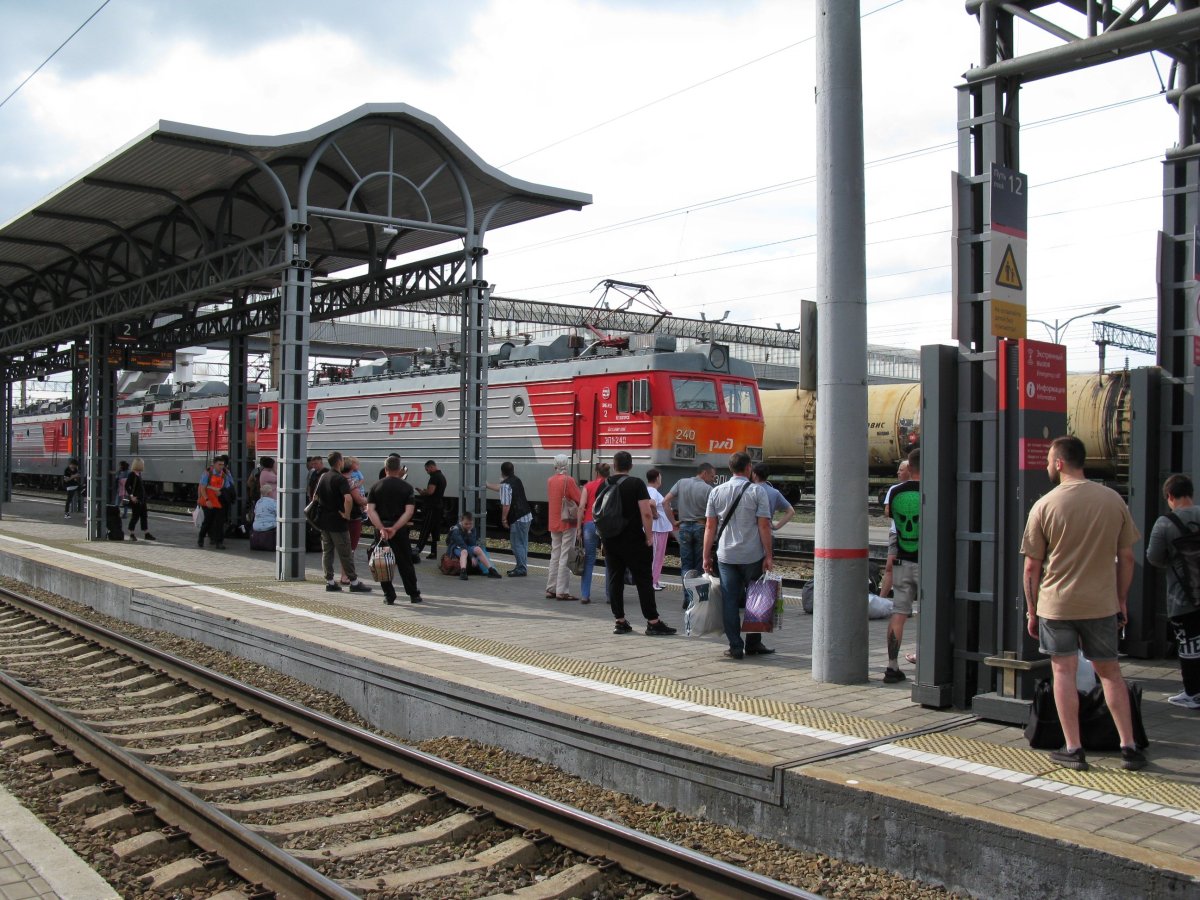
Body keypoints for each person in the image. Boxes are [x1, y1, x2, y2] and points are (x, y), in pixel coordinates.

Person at [1021, 435, 1146, 772]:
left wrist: (1032, 611)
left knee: (1063, 671)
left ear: (1060, 462)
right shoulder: (1112, 500)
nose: (1047, 464)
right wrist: (1120, 599)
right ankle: (1129, 747)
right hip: (1101, 604)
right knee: (1111, 674)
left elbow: (1031, 566)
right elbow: (1128, 558)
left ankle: (1074, 748)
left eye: (1049, 459)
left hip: (1056, 605)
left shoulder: (1045, 505)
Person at [703, 452, 774, 659]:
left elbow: (710, 526)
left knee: (730, 601)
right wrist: (768, 555)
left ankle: (735, 646)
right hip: (753, 555)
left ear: (731, 468)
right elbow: (764, 525)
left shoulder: (716, 491)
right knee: (757, 599)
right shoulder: (757, 491)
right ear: (749, 467)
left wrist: (706, 555)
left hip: (726, 556)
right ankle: (753, 643)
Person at [599, 451, 676, 636]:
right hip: (633, 540)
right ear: (631, 466)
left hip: (611, 539)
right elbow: (647, 513)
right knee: (644, 580)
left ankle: (620, 621)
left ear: (614, 465)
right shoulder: (636, 484)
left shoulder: (604, 484)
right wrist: (649, 536)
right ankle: (653, 621)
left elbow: (600, 514)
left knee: (615, 579)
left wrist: (603, 539)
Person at [1146, 474, 1200, 709]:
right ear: (1191, 493)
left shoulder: (1165, 523)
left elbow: (1154, 557)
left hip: (1182, 596)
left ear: (1169, 496)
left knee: (1188, 645)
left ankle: (1193, 693)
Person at [883, 450, 920, 683]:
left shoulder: (895, 492)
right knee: (928, 613)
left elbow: (890, 516)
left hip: (902, 560)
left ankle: (891, 666)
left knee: (899, 613)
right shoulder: (931, 489)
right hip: (926, 561)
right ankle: (927, 660)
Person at [366, 456, 422, 604]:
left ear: (385, 469)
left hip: (381, 531)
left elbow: (370, 510)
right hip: (400, 530)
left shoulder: (375, 486)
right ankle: (413, 594)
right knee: (405, 563)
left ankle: (389, 595)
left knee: (382, 563)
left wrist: (382, 528)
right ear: (399, 470)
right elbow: (409, 512)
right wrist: (395, 528)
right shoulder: (407, 488)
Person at [315, 450, 372, 594]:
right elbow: (348, 498)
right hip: (337, 522)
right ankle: (353, 581)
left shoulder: (323, 477)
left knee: (327, 552)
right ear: (339, 461)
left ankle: (330, 581)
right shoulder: (340, 479)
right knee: (345, 552)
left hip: (324, 521)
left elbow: (315, 497)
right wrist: (346, 514)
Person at [666, 462, 716, 609]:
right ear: (704, 473)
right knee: (700, 564)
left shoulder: (681, 483)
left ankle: (687, 598)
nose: (713, 479)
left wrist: (673, 521)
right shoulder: (708, 489)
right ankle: (697, 600)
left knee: (686, 565)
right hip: (701, 527)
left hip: (684, 527)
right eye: (712, 476)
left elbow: (665, 501)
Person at [546, 455, 582, 600]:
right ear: (566, 465)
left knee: (555, 554)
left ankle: (551, 588)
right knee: (565, 555)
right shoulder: (569, 480)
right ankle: (562, 591)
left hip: (554, 521)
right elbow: (579, 499)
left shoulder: (550, 481)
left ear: (555, 465)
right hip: (567, 521)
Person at [488, 462, 531, 577]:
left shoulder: (506, 485)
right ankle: (521, 566)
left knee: (517, 544)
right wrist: (487, 485)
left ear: (502, 472)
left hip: (517, 518)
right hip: (527, 515)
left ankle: (521, 568)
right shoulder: (516, 480)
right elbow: (501, 488)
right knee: (523, 543)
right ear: (513, 470)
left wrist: (504, 520)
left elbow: (506, 504)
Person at [576, 462, 610, 605]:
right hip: (607, 525)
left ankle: (584, 595)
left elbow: (581, 506)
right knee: (610, 561)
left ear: (596, 473)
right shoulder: (612, 486)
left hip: (589, 524)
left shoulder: (587, 486)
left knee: (589, 560)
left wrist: (578, 527)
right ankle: (610, 596)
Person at [877, 459, 911, 602]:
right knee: (890, 566)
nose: (898, 472)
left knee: (910, 569)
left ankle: (905, 602)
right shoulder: (894, 489)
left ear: (910, 471)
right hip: (896, 533)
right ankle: (881, 600)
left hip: (912, 535)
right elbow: (887, 511)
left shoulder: (921, 488)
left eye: (901, 470)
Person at [445, 512, 503, 581]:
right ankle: (463, 572)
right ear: (461, 521)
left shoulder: (472, 529)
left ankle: (491, 570)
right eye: (466, 524)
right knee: (464, 551)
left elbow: (472, 544)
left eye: (470, 524)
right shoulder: (456, 530)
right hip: (455, 548)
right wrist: (472, 556)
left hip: (467, 547)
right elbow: (462, 545)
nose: (468, 526)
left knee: (478, 549)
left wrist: (469, 533)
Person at [340, 456, 369, 585]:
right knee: (350, 548)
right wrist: (368, 501)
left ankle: (335, 576)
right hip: (352, 517)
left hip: (339, 516)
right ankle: (347, 576)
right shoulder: (350, 482)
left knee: (339, 548)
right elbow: (359, 500)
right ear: (352, 468)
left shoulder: (334, 479)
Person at [413, 460, 448, 562]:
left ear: (431, 467)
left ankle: (417, 550)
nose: (427, 472)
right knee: (435, 531)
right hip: (439, 507)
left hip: (432, 507)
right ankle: (434, 552)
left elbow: (430, 491)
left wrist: (422, 492)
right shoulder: (442, 477)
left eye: (427, 469)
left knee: (425, 529)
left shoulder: (434, 477)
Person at [646, 469, 675, 590]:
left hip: (660, 529)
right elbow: (651, 503)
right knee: (656, 556)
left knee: (659, 556)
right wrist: (655, 514)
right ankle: (652, 582)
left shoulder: (650, 490)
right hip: (657, 529)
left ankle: (655, 580)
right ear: (657, 478)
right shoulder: (652, 491)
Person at [751, 463, 795, 532]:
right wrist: (776, 527)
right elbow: (791, 511)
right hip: (767, 531)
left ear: (755, 475)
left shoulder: (748, 490)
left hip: (750, 532)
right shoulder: (775, 493)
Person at [197, 458, 230, 550]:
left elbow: (227, 488)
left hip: (219, 502)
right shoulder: (207, 474)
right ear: (214, 464)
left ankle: (219, 542)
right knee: (208, 522)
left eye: (222, 464)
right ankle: (201, 538)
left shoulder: (224, 476)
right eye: (219, 464)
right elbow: (202, 488)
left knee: (220, 523)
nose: (221, 466)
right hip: (209, 502)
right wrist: (206, 500)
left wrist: (222, 493)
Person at [124, 458, 154, 541]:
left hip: (142, 499)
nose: (143, 465)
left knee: (144, 516)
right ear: (139, 465)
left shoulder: (139, 474)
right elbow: (127, 485)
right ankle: (131, 533)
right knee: (135, 516)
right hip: (136, 499)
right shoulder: (132, 474)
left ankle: (146, 533)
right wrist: (132, 496)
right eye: (142, 464)